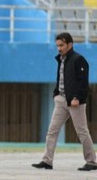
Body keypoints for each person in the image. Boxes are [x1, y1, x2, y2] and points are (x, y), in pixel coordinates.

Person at [32, 32, 97, 171]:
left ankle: (91, 161)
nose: (59, 48)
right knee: (52, 131)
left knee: (82, 132)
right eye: (57, 46)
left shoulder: (79, 59)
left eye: (61, 45)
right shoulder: (61, 59)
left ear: (70, 44)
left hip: (75, 102)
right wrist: (56, 94)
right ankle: (47, 161)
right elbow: (61, 79)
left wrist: (77, 98)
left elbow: (83, 83)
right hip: (61, 100)